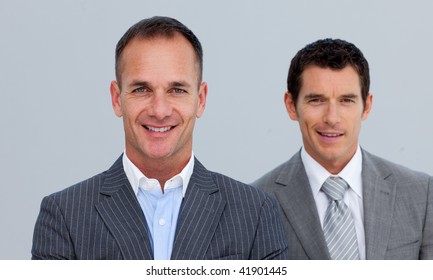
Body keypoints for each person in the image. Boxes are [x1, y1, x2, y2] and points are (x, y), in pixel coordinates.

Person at [32, 16, 288, 260]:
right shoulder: (64, 215)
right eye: (141, 89)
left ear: (200, 100)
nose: (159, 110)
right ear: (116, 98)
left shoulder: (256, 212)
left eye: (177, 89)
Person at [253, 38, 433, 260]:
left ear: (366, 106)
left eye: (346, 100)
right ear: (291, 106)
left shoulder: (421, 194)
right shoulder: (254, 204)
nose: (332, 118)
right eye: (317, 100)